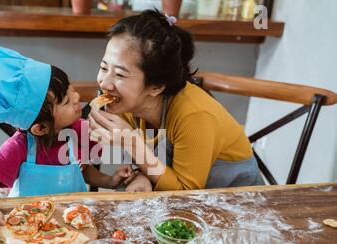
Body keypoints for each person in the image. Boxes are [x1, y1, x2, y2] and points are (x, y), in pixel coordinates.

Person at [0, 44, 134, 241]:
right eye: (65, 101)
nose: (76, 97)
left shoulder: (79, 130)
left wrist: (109, 181)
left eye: (70, 88)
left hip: (74, 229)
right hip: (28, 231)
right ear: (41, 128)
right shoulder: (17, 149)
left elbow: (82, 171)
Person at [89, 9, 264, 193]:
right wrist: (139, 174)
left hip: (240, 202)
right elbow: (152, 165)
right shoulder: (124, 105)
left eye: (119, 74)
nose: (104, 83)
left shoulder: (194, 115)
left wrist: (131, 143)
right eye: (103, 67)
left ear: (156, 86)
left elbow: (185, 192)